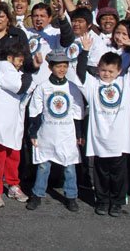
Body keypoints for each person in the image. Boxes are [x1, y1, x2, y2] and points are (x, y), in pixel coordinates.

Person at [76, 31, 130, 217]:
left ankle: (117, 202)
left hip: (119, 140)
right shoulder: (93, 84)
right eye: (103, 70)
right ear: (98, 68)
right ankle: (103, 201)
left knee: (119, 173)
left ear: (119, 71)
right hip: (99, 139)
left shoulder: (125, 84)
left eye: (111, 71)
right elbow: (80, 73)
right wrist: (84, 51)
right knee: (101, 173)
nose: (106, 74)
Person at [26, 50, 84, 212]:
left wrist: (79, 134)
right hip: (47, 133)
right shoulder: (43, 87)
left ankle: (71, 196)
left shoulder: (72, 88)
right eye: (58, 66)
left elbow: (77, 112)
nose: (62, 70)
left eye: (65, 66)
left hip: (67, 133)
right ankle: (37, 194)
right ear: (50, 67)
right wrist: (33, 132)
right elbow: (35, 111)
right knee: (44, 165)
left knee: (69, 166)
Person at [0, 42, 36, 207]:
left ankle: (13, 185)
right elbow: (20, 87)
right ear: (9, 57)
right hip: (0, 120)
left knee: (14, 154)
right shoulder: (3, 66)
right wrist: (29, 75)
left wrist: (27, 78)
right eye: (19, 60)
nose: (21, 64)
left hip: (13, 119)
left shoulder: (15, 70)